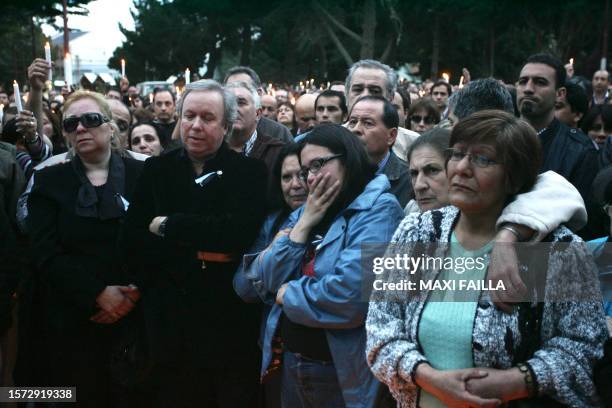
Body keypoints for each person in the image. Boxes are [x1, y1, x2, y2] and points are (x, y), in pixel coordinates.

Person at [367, 110, 608, 407]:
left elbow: (583, 346)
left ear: (513, 177)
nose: (462, 168)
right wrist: (428, 377)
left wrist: (519, 380)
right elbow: (381, 331)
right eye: (457, 154)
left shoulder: (559, 250)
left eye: (483, 159)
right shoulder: (417, 232)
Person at [121, 79, 268, 407]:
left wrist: (170, 225)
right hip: (167, 322)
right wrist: (200, 241)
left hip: (227, 324)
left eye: (207, 118)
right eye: (189, 116)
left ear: (227, 125)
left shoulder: (250, 172)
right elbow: (133, 237)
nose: (196, 126)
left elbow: (236, 233)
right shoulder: (157, 169)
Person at [249, 124, 404, 407]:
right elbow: (264, 279)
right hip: (289, 361)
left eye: (319, 164)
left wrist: (289, 294)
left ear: (348, 159)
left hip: (338, 371)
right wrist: (306, 221)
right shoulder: (311, 208)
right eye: (307, 169)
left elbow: (351, 298)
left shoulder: (379, 209)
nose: (311, 177)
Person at [26, 90, 143, 405]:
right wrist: (96, 294)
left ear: (109, 126)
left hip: (136, 318)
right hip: (73, 319)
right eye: (70, 124)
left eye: (90, 120)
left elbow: (156, 242)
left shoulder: (143, 175)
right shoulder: (48, 181)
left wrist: (132, 293)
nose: (80, 128)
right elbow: (44, 252)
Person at [233, 142, 306, 408]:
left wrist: (288, 293)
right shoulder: (273, 221)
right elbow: (244, 287)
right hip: (276, 351)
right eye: (286, 177)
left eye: (302, 174)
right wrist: (279, 246)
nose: (295, 184)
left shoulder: (340, 220)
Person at [347, 95, 412, 207]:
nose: (356, 129)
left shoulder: (410, 181)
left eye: (368, 123)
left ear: (391, 136)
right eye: (352, 122)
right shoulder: (337, 173)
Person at [226, 81, 285, 174]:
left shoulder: (278, 153)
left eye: (241, 103)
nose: (234, 108)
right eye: (229, 103)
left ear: (257, 114)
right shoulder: (209, 149)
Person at [224, 66, 293, 143]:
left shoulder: (279, 133)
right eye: (230, 88)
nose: (236, 92)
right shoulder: (214, 129)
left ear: (259, 93)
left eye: (244, 87)